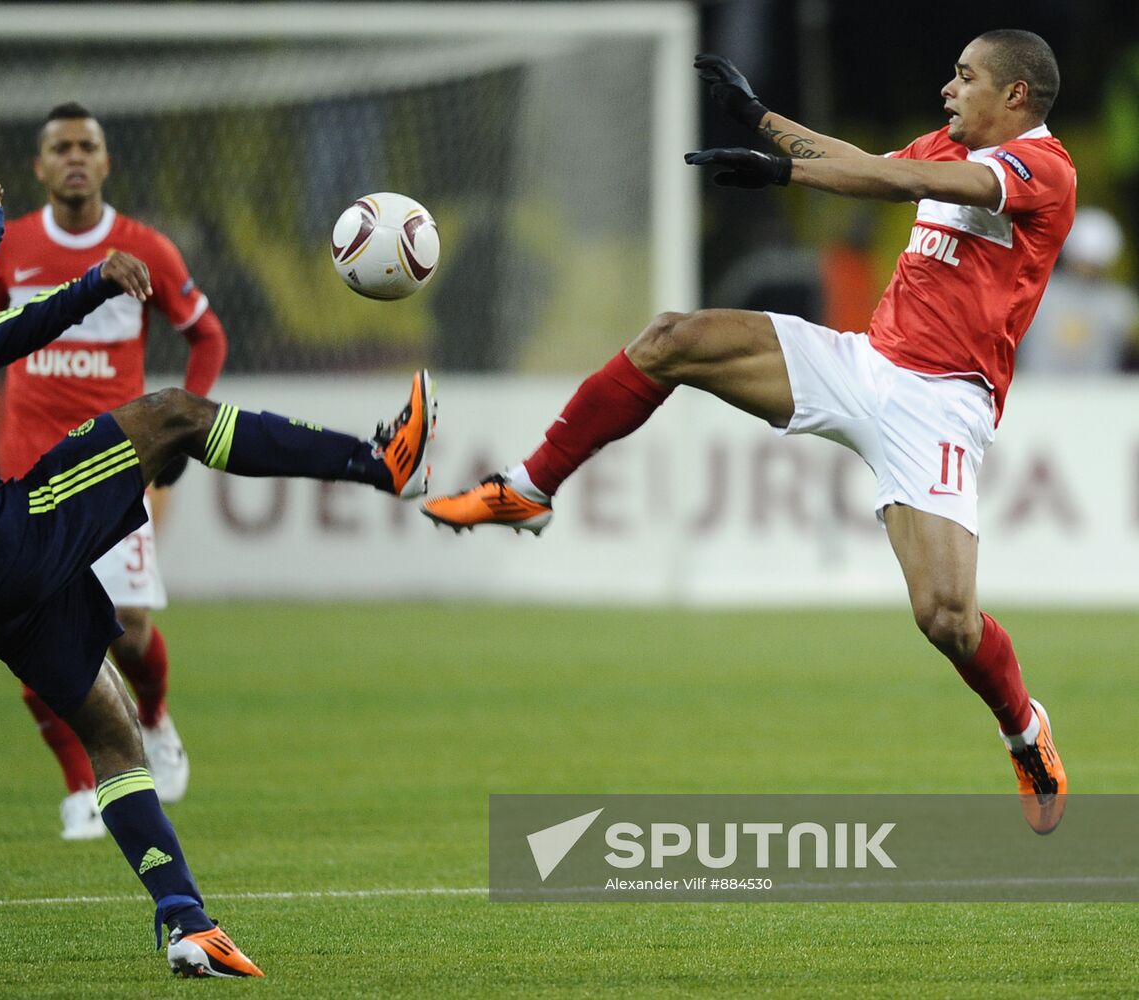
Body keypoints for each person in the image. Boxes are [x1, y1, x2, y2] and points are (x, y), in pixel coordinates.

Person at [424, 30, 1072, 834]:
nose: (948, 88)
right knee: (671, 340)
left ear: (1015, 96)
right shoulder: (956, 144)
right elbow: (872, 166)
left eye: (965, 76)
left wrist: (786, 171)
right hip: (864, 362)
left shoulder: (1044, 169)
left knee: (946, 617)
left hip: (943, 403)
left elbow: (902, 178)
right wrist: (763, 120)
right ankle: (529, 490)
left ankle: (1023, 729)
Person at [0, 165, 434, 977]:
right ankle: (381, 462)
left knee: (111, 731)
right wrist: (91, 284)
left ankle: (186, 923)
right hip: (8, 540)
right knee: (172, 414)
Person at [0, 103, 226, 839]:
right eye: (61, 147)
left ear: (106, 162)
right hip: (24, 475)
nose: (75, 156)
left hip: (113, 467)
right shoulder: (13, 249)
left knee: (127, 628)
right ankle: (81, 787)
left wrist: (182, 432)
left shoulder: (148, 249)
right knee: (32, 640)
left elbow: (205, 333)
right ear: (40, 167)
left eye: (88, 145)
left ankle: (157, 719)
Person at [1016, 206, 1139, 374]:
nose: (1085, 267)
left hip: (1099, 396)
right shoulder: (1036, 293)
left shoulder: (1120, 304)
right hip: (1034, 392)